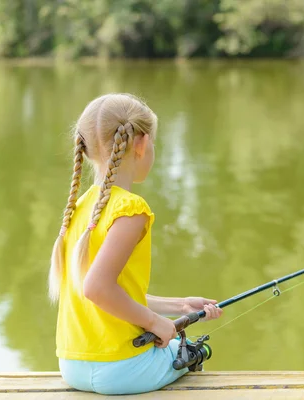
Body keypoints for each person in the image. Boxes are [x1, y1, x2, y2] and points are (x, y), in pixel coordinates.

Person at [48, 93, 223, 395]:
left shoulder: (79, 208)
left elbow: (112, 294)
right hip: (121, 369)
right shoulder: (130, 209)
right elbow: (97, 289)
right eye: (154, 142)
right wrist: (155, 323)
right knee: (192, 352)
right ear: (141, 144)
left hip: (72, 366)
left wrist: (178, 306)